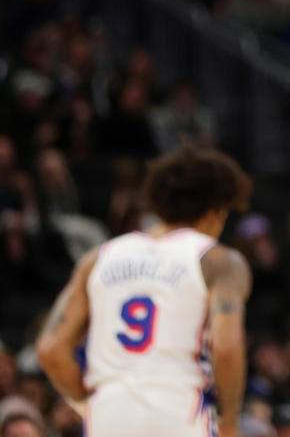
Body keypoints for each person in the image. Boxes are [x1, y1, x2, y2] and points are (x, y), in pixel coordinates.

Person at [35, 148, 254, 437]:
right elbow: (226, 348)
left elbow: (50, 349)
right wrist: (228, 423)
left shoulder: (99, 257)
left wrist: (88, 401)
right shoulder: (219, 261)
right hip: (179, 410)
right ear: (216, 212)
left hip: (108, 414)